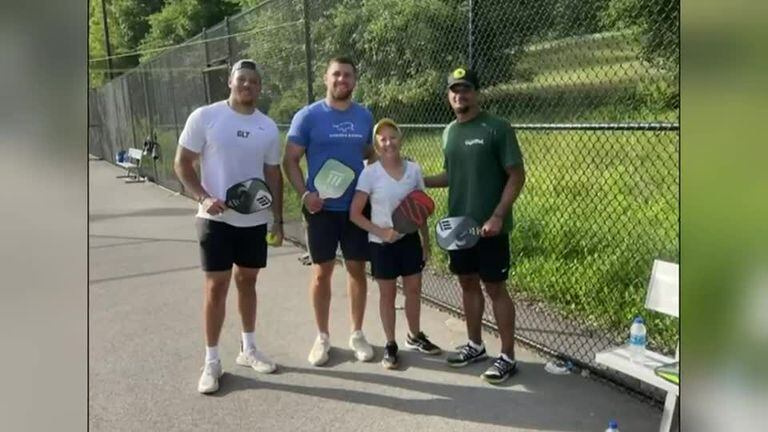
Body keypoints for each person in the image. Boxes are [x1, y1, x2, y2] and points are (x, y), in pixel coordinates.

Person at [174, 59, 284, 394]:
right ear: (230, 82)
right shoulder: (205, 117)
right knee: (216, 288)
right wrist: (204, 197)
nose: (247, 85)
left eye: (253, 81)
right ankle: (211, 361)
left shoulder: (267, 127)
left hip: (252, 221)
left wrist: (277, 219)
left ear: (259, 87)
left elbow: (273, 175)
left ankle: (248, 350)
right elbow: (182, 163)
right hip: (214, 220)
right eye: (242, 80)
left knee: (247, 283)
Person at [424, 67, 526, 384]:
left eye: (465, 89)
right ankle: (475, 346)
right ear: (448, 96)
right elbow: (451, 175)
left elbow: (516, 175)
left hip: (490, 227)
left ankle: (507, 356)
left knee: (495, 288)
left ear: (476, 93)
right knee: (467, 283)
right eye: (454, 90)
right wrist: (417, 179)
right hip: (459, 228)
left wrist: (497, 215)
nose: (460, 95)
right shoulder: (449, 132)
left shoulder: (497, 128)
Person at [282, 56, 376, 366]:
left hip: (356, 209)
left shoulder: (364, 116)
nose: (341, 80)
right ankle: (322, 337)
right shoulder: (308, 116)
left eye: (347, 75)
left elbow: (369, 155)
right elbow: (290, 160)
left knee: (357, 271)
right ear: (326, 78)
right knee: (322, 273)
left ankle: (357, 334)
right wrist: (305, 194)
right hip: (320, 209)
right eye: (336, 74)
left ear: (354, 80)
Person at [349, 118, 442, 369]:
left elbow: (419, 207)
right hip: (381, 244)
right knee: (387, 294)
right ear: (377, 145)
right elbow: (355, 214)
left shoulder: (414, 170)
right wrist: (382, 232)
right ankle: (390, 344)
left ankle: (415, 335)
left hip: (410, 242)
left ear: (400, 139)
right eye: (383, 138)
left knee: (413, 290)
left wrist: (425, 241)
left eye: (393, 137)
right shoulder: (369, 174)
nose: (388, 142)